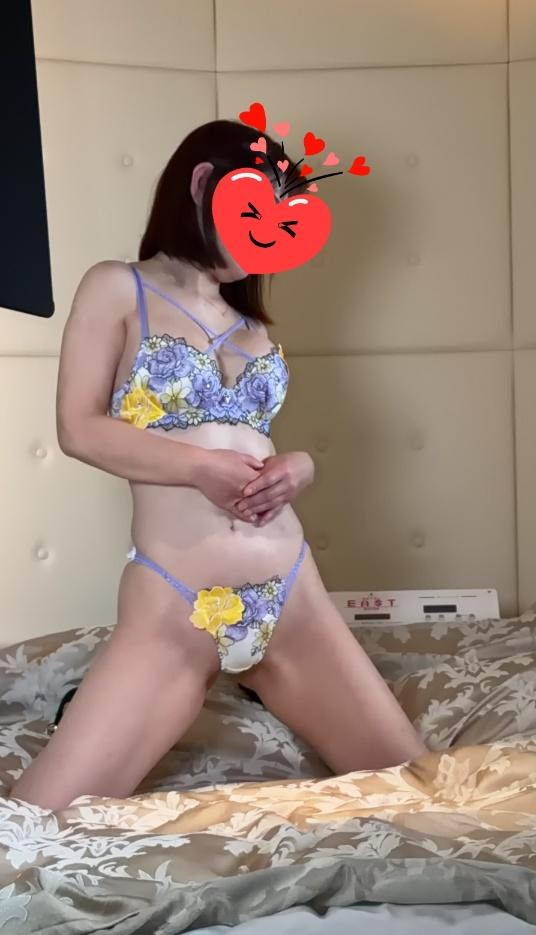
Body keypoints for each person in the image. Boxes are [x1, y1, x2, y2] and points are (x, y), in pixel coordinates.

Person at [11, 120, 426, 810]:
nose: (269, 237)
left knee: (422, 793)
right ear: (204, 184)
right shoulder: (119, 287)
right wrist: (198, 469)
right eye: (257, 212)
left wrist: (301, 468)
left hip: (292, 592)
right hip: (177, 599)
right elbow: (78, 429)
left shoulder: (253, 325)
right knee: (37, 822)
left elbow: (251, 439)